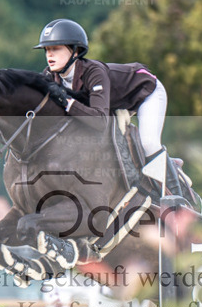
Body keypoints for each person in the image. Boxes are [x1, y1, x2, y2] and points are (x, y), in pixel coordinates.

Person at [32, 18, 191, 207]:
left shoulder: (94, 72)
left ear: (75, 51)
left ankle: (179, 201)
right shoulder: (50, 76)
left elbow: (99, 121)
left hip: (146, 93)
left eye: (56, 49)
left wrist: (68, 103)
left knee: (148, 142)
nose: (49, 55)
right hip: (114, 104)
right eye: (47, 50)